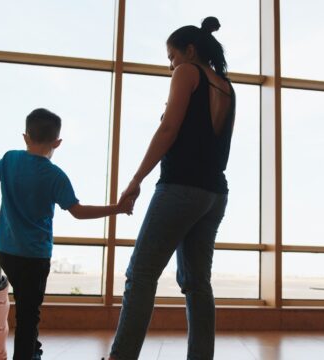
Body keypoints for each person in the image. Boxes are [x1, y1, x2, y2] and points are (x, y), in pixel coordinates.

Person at [108, 16, 236, 360]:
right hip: (215, 194)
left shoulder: (188, 72)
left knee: (141, 273)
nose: (170, 66)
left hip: (181, 187)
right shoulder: (225, 84)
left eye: (171, 57)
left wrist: (135, 180)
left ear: (189, 50)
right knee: (197, 283)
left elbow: (168, 131)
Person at [0, 108, 133, 360]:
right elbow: (78, 212)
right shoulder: (55, 176)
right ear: (57, 143)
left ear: (26, 137)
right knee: (28, 313)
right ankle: (26, 354)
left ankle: (32, 349)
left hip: (6, 251)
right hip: (34, 256)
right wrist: (118, 208)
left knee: (24, 306)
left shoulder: (9, 159)